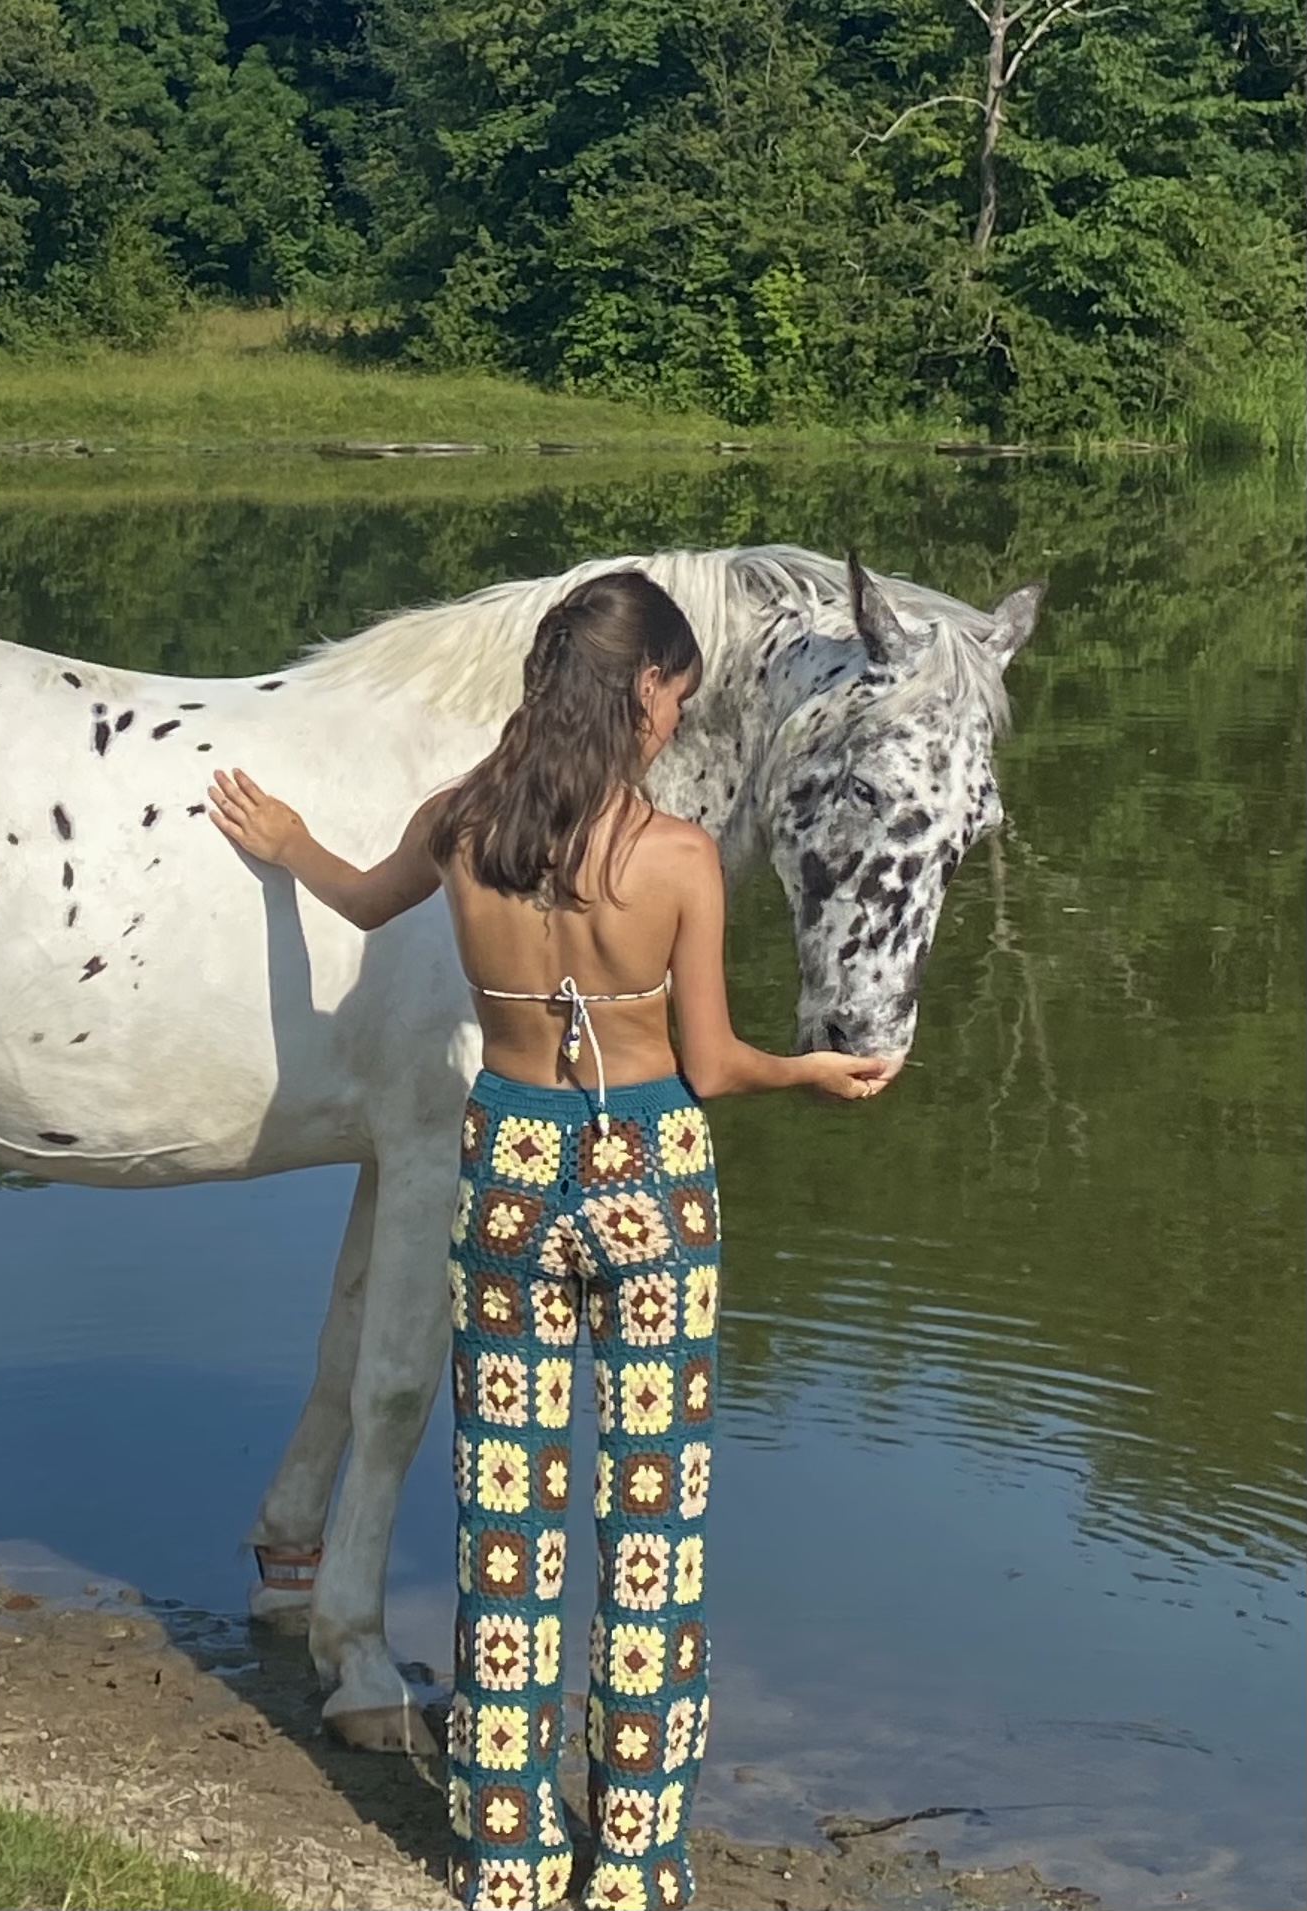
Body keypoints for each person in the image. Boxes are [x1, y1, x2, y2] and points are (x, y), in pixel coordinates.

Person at [207, 570, 891, 1911]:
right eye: (676, 696)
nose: (675, 720)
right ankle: (629, 1866)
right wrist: (810, 1071)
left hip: (510, 1167)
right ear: (645, 691)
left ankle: (509, 1859)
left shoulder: (464, 825)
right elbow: (709, 1065)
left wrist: (289, 843)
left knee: (507, 1517)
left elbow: (360, 901)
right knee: (653, 1526)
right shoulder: (676, 857)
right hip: (648, 1177)